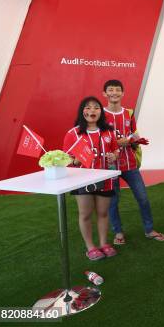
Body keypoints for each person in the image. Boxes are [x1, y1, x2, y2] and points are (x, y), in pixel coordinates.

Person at [102, 80, 164, 245]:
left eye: (118, 90)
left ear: (123, 93)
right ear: (105, 94)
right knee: (113, 202)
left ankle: (149, 229)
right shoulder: (100, 114)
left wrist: (131, 140)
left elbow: (135, 135)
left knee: (143, 198)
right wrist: (117, 143)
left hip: (129, 164)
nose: (114, 93)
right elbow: (97, 139)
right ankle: (118, 233)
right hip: (109, 167)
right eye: (110, 90)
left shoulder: (128, 113)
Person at [63, 96, 120, 261]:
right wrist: (74, 160)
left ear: (101, 111)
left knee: (103, 213)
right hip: (82, 180)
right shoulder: (72, 134)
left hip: (106, 178)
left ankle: (103, 243)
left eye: (96, 107)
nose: (92, 111)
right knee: (85, 214)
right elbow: (65, 158)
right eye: (87, 108)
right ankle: (91, 247)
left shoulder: (108, 131)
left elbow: (116, 150)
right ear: (82, 111)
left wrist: (113, 156)